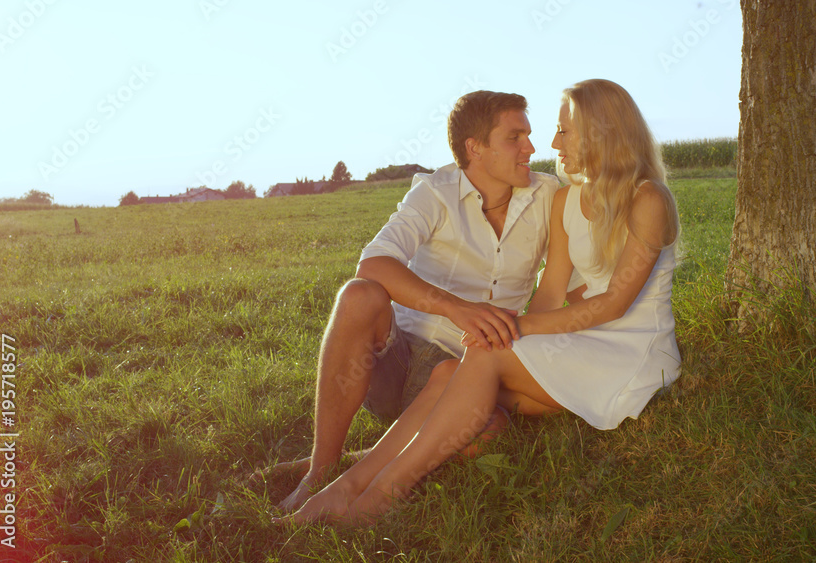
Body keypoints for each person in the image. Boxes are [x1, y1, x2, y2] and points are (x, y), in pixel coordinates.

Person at [274, 78, 682, 526]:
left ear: (601, 131)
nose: (541, 145)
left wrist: (515, 330)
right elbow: (547, 293)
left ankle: (368, 497)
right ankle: (331, 480)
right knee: (408, 329)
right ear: (475, 148)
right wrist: (488, 324)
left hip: (621, 349)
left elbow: (610, 304)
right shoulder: (479, 195)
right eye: (516, 137)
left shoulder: (628, 197)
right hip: (415, 355)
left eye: (560, 131)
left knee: (472, 378)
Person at [265, 90, 571, 513]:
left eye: (529, 136)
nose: (530, 148)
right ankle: (320, 469)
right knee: (358, 296)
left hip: (477, 370)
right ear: (474, 148)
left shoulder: (548, 196)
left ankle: (368, 457)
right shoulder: (434, 191)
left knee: (488, 434)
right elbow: (373, 264)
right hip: (403, 361)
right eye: (514, 137)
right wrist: (456, 307)